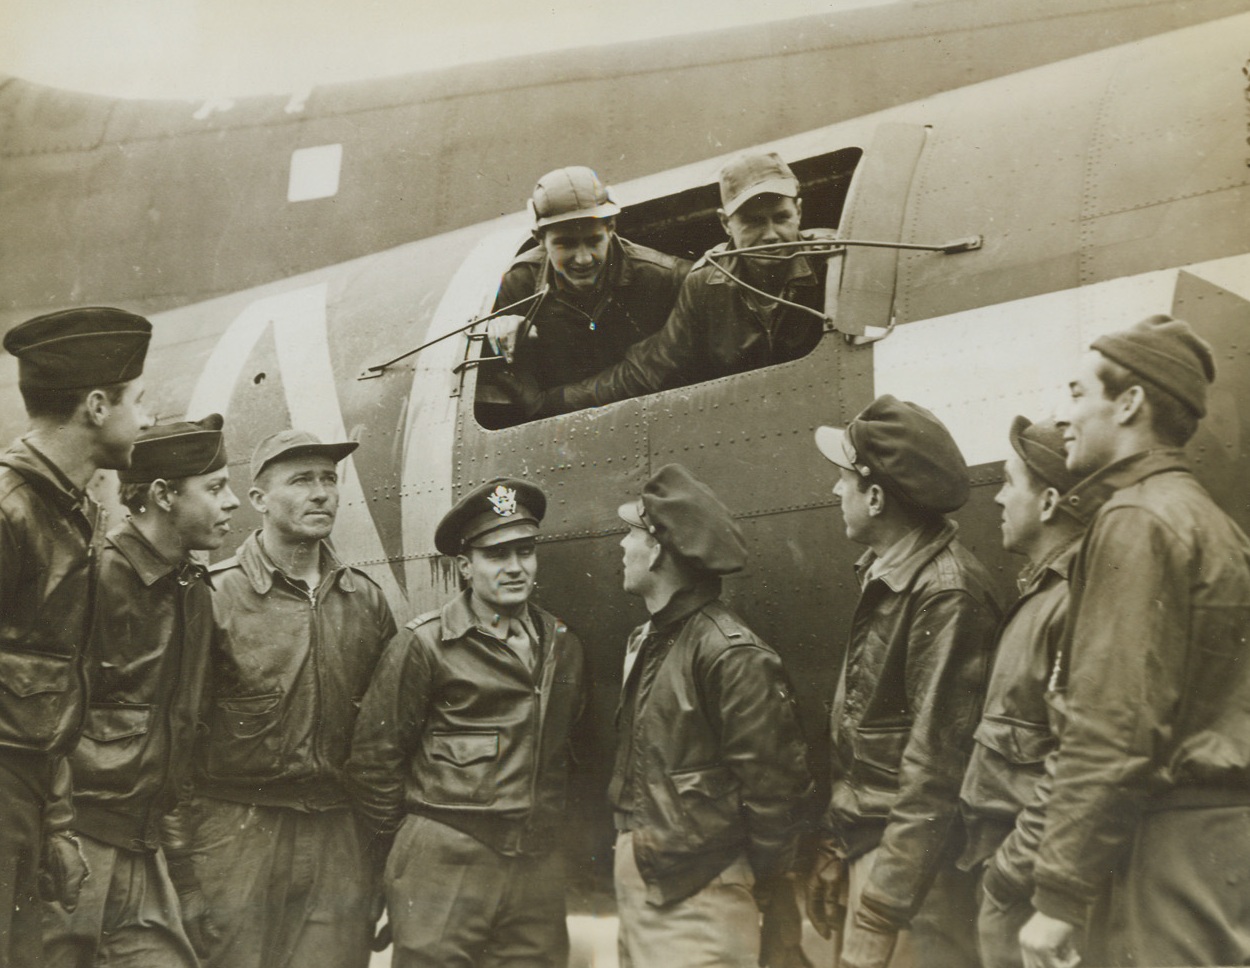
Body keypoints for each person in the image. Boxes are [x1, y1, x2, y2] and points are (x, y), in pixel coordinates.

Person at [1020, 315, 1250, 968]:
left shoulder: (1134, 520)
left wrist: (1058, 894)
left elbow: (1113, 722)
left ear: (1129, 403)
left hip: (1168, 848)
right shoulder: (1210, 520)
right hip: (1222, 844)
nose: (1064, 416)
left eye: (1077, 393)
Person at [166, 429, 396, 968]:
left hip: (339, 833)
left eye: (328, 480)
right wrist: (183, 869)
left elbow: (387, 742)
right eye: (301, 481)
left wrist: (379, 854)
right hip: (236, 833)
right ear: (259, 500)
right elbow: (174, 740)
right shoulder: (213, 597)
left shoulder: (365, 600)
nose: (321, 494)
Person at [346, 478, 586, 968]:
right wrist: (414, 853)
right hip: (444, 862)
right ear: (465, 567)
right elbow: (373, 763)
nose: (516, 567)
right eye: (497, 555)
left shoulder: (563, 645)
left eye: (525, 551)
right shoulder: (426, 645)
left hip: (533, 868)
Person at [806, 395, 1000, 968]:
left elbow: (935, 772)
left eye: (843, 478)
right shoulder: (896, 577)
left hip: (914, 884)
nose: (833, 491)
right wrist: (836, 846)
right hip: (881, 859)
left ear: (875, 495)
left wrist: (881, 910)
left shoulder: (945, 592)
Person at [42, 414, 238, 967]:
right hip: (72, 844)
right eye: (216, 488)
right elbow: (38, 722)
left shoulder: (192, 590)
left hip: (140, 849)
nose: (233, 504)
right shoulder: (91, 576)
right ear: (163, 495)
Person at [611, 463, 813, 968]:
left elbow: (774, 795)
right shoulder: (650, 639)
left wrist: (753, 886)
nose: (621, 546)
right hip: (652, 893)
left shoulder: (731, 654)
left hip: (696, 904)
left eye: (630, 533)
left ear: (656, 549)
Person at [0, 307, 152, 967]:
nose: (144, 419)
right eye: (137, 401)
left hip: (28, 794)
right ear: (96, 405)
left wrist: (57, 824)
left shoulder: (70, 511)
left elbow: (51, 689)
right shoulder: (11, 510)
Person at [518, 151, 837, 418]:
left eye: (780, 217)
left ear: (799, 212)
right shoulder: (707, 283)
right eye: (753, 221)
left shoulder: (834, 259)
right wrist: (552, 403)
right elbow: (648, 370)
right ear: (726, 223)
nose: (770, 234)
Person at [953, 416, 1083, 968]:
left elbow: (1077, 763)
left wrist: (1009, 873)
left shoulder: (1072, 601)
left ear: (1050, 502)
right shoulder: (1041, 594)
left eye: (1010, 483)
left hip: (1024, 886)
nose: (999, 499)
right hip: (1007, 877)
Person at [486, 165, 690, 411]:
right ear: (539, 238)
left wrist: (549, 403)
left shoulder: (663, 277)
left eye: (593, 241)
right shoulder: (518, 287)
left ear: (611, 227)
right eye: (565, 244)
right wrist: (499, 334)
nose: (583, 259)